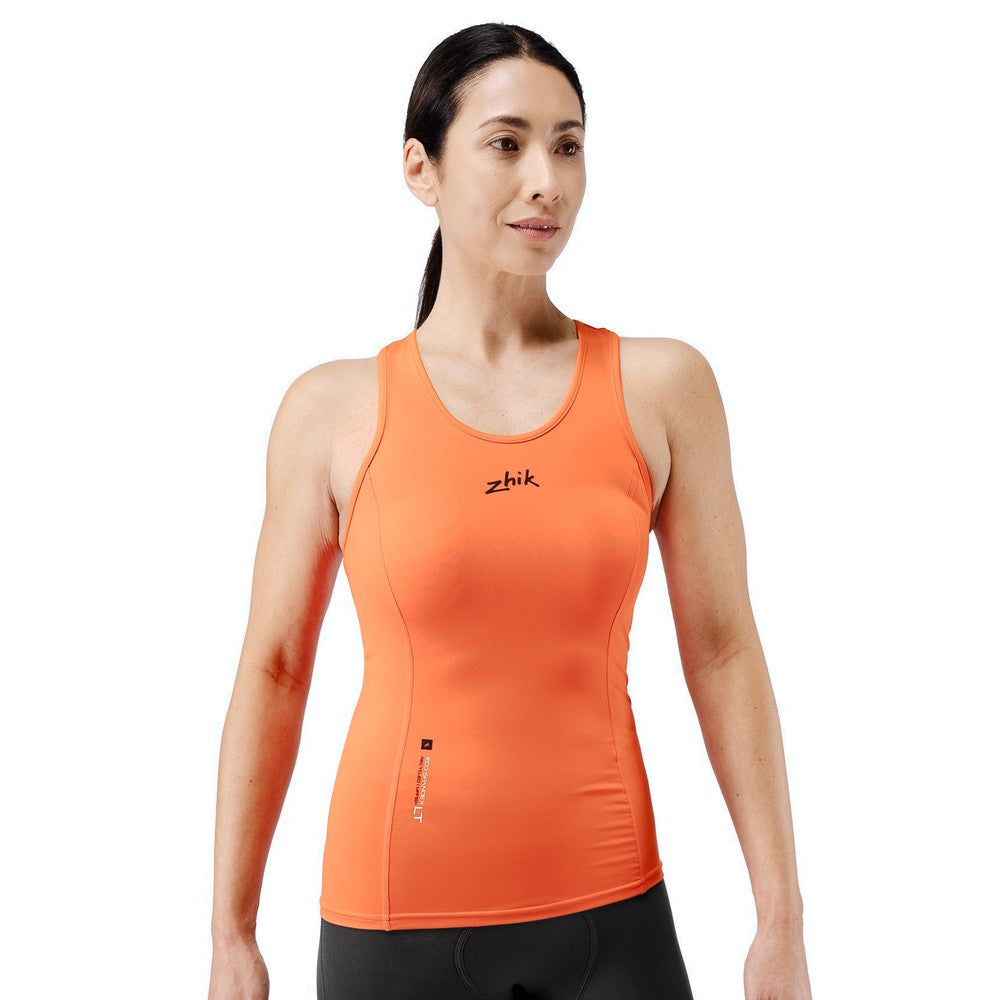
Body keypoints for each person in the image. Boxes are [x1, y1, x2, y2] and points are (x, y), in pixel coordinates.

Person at [208, 22, 813, 1000]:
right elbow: (275, 667)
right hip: (392, 922)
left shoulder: (662, 388)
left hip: (613, 918)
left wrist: (779, 917)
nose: (547, 180)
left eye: (568, 146)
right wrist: (231, 933)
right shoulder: (333, 410)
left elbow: (722, 651)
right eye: (507, 143)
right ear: (421, 168)